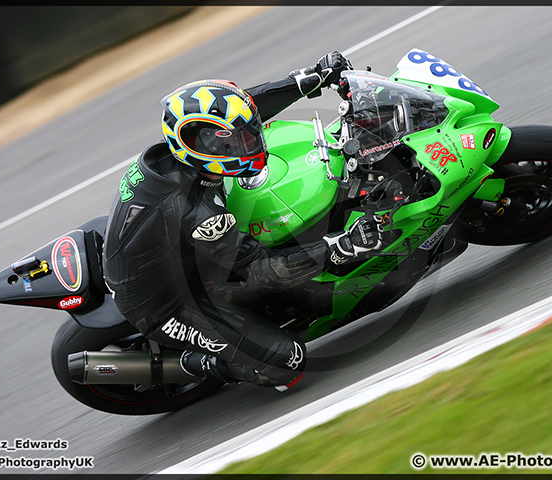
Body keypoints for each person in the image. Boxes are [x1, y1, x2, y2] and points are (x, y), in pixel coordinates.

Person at [103, 52, 384, 391]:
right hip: (170, 300)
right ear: (201, 145)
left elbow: (246, 109)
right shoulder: (199, 212)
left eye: (249, 136)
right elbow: (264, 271)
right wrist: (339, 246)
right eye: (236, 142)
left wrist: (310, 79)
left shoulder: (186, 153)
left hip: (171, 249)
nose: (249, 143)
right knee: (288, 362)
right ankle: (201, 365)